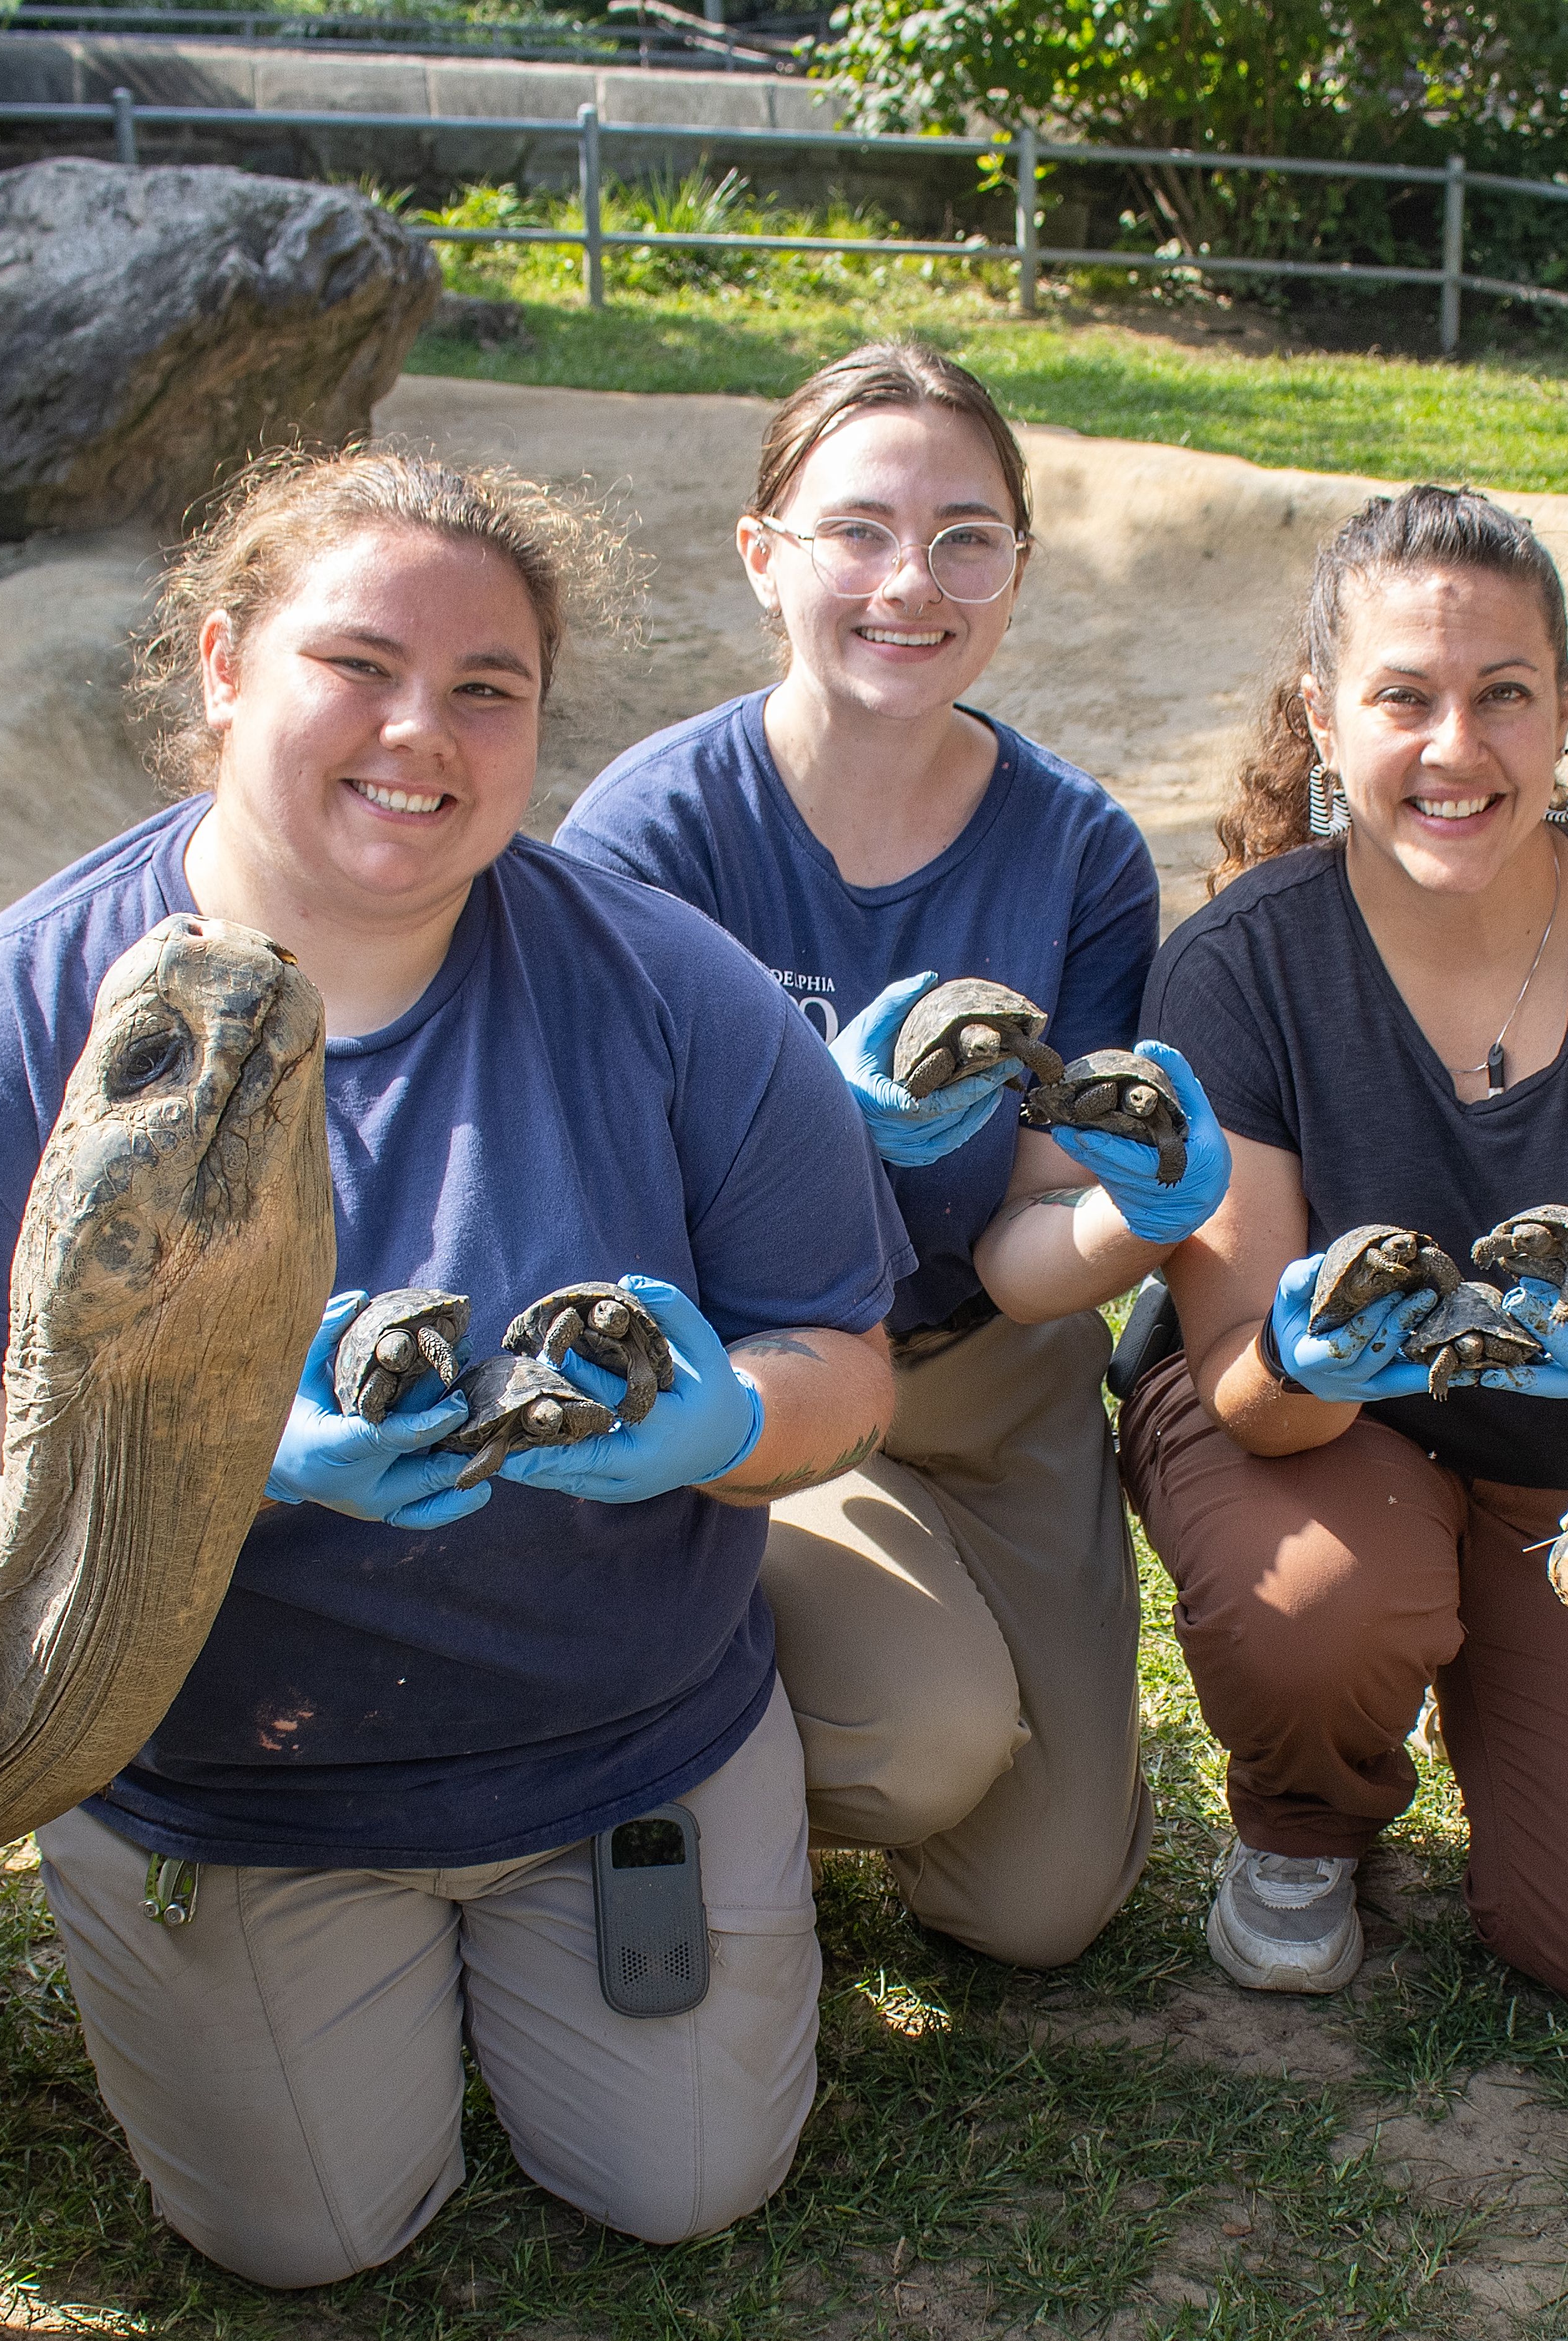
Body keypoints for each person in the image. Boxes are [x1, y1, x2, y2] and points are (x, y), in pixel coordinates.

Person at [0, 449, 901, 2290]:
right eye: (357, 664)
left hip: (627, 1738)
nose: (424, 732)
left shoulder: (665, 984)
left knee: (683, 2184)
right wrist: (221, 1464)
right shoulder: (12, 1019)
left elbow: (848, 1367)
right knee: (303, 2233)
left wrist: (725, 1427)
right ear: (226, 663)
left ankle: (686, 1878)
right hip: (230, 1778)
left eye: (490, 688)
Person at [556, 342, 1210, 1972]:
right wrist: (809, 1136)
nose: (911, 582)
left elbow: (1021, 1250)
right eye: (858, 530)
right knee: (921, 1740)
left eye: (966, 535)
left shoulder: (1077, 850)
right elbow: (596, 1216)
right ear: (764, 556)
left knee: (1043, 1907)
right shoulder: (650, 842)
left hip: (983, 1373)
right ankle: (663, 1760)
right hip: (744, 1363)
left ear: (1018, 571)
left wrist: (1143, 1217)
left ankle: (864, 1697)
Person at [1130, 483, 1568, 2009]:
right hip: (1315, 1446)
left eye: (1505, 695)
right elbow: (1244, 1377)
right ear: (1323, 713)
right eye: (1405, 699)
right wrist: (1314, 1349)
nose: (1458, 749)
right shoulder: (1237, 965)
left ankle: (1501, 1666)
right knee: (1324, 1601)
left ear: (1564, 709)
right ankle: (1305, 1820)